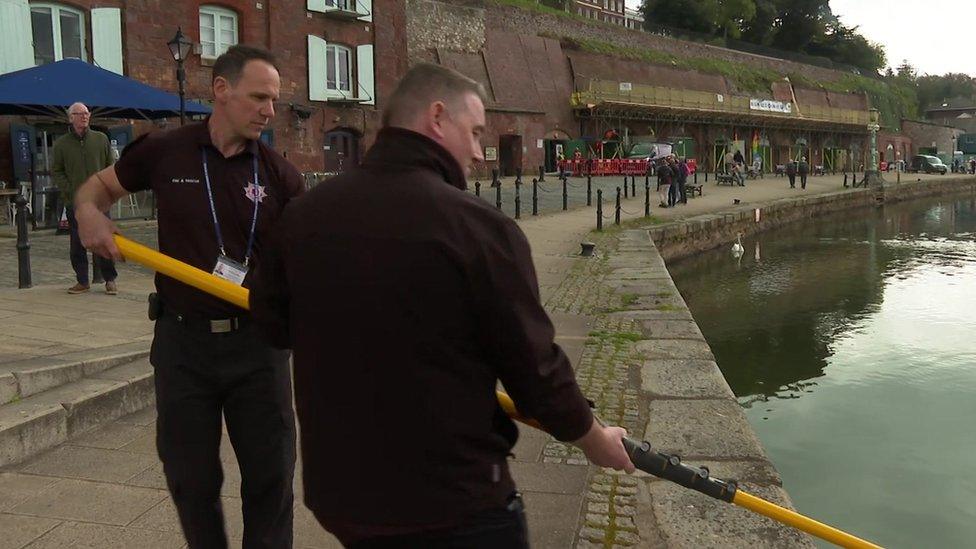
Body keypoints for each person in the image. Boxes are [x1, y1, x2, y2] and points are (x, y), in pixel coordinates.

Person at [250, 63, 634, 548]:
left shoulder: (303, 215)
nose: (478, 152)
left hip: (345, 498)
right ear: (436, 116)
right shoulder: (477, 228)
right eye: (474, 133)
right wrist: (594, 438)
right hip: (453, 501)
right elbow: (533, 367)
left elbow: (270, 324)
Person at [74, 45, 302, 549]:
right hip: (183, 345)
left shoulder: (282, 176)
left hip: (258, 348)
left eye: (274, 100)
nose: (269, 110)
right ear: (221, 90)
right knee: (190, 478)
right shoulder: (166, 151)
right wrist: (88, 212)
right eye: (259, 96)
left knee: (271, 480)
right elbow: (95, 190)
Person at [51, 102, 119, 295]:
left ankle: (110, 279)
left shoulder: (101, 139)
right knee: (78, 242)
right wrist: (70, 191)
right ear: (71, 118)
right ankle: (82, 280)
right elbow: (57, 171)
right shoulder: (61, 144)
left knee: (105, 240)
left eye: (87, 113)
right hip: (76, 203)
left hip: (100, 201)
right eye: (80, 113)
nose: (85, 116)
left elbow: (110, 166)